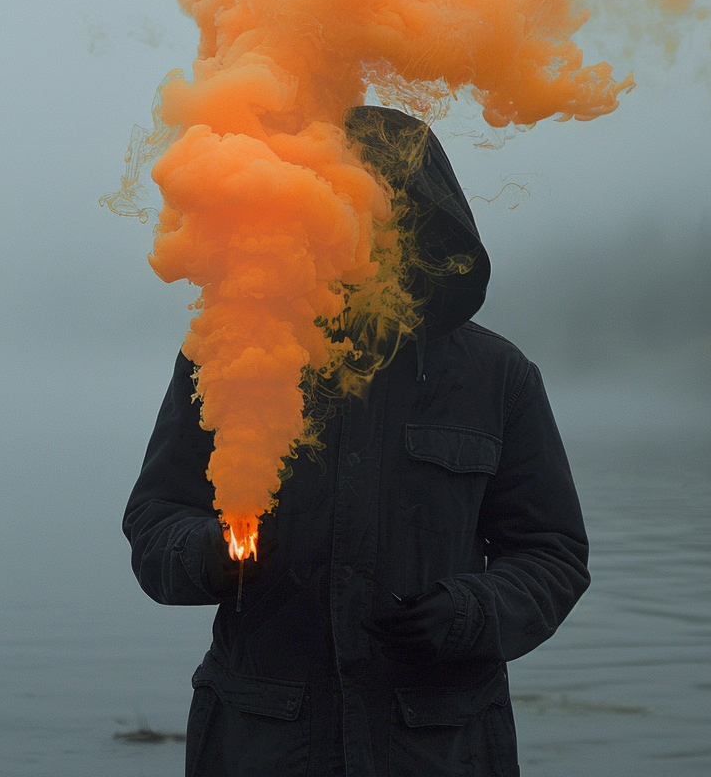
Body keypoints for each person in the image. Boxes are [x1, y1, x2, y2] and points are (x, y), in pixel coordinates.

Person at [123, 106, 590, 777]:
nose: (353, 231)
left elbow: (553, 554)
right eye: (331, 205)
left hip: (438, 749)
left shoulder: (497, 377)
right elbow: (154, 523)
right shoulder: (228, 357)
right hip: (263, 748)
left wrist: (470, 612)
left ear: (422, 221)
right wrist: (207, 555)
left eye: (375, 210)